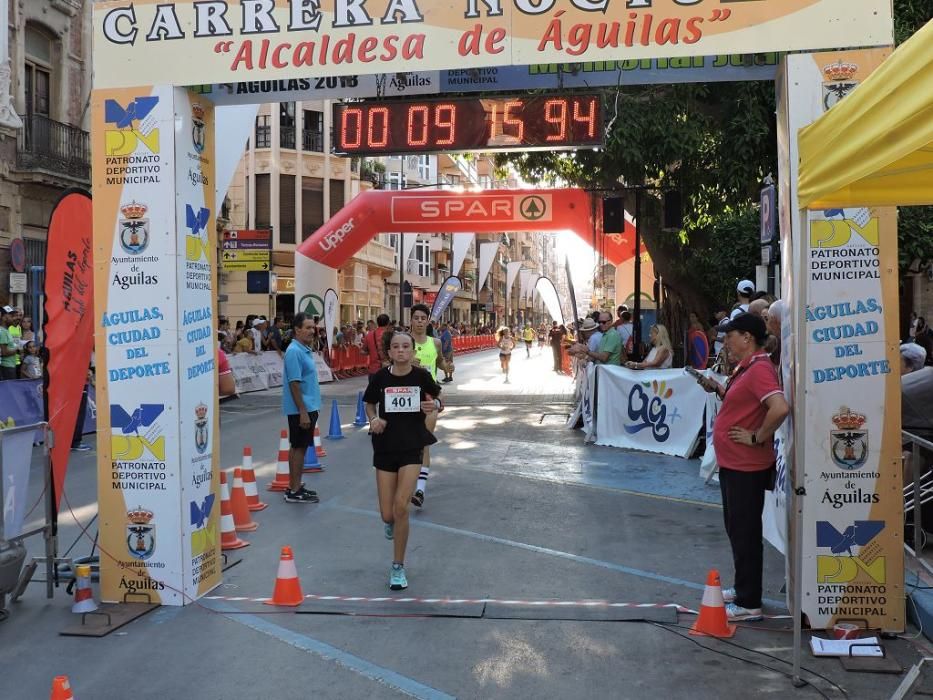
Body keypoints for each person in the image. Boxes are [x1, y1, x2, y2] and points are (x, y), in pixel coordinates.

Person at [695, 312, 789, 621]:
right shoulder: (748, 367)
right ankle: (743, 588)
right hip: (735, 463)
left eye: (730, 335)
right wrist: (719, 390)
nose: (725, 341)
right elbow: (748, 404)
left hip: (746, 465)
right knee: (737, 529)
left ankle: (749, 602)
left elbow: (779, 408)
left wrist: (757, 436)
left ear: (747, 337)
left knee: (746, 531)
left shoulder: (759, 368)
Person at [364, 330, 442, 591]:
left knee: (401, 508)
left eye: (405, 346)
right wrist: (373, 419)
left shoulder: (421, 377)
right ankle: (391, 524)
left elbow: (439, 398)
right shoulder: (380, 378)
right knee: (388, 514)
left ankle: (397, 566)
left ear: (412, 351)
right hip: (385, 447)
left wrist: (436, 404)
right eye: (395, 347)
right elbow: (369, 403)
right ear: (389, 352)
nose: (400, 351)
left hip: (412, 446)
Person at [409, 304, 449, 508]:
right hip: (406, 396)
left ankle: (420, 490)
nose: (419, 321)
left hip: (428, 396)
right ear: (411, 320)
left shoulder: (435, 342)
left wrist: (447, 367)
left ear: (427, 321)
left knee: (423, 442)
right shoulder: (404, 343)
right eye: (416, 318)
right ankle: (405, 480)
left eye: (422, 318)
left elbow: (440, 362)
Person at [281, 313, 321, 504]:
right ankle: (294, 490)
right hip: (301, 409)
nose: (312, 331)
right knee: (299, 448)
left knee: (299, 447)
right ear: (297, 330)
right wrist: (303, 411)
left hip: (308, 406)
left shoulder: (303, 349)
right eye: (308, 327)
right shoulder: (294, 351)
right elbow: (294, 383)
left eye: (313, 327)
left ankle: (294, 485)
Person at [362, 313, 391, 380]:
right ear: (388, 323)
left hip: (374, 370)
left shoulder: (369, 335)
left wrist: (371, 351)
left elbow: (362, 351)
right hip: (389, 369)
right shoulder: (391, 335)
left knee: (374, 390)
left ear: (377, 323)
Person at [0, 305, 18, 380]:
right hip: (6, 368)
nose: (14, 318)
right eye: (11, 316)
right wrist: (17, 349)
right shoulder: (2, 332)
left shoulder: (6, 331)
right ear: (4, 318)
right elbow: (4, 352)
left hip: (9, 367)